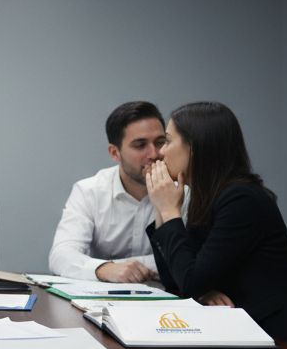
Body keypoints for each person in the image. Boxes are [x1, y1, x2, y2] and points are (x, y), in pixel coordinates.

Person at [143, 102, 287, 340]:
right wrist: (163, 209)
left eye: (167, 141)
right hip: (247, 335)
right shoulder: (209, 198)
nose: (160, 152)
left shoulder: (243, 200)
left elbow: (189, 281)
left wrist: (170, 211)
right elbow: (177, 282)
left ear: (196, 147)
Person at [48, 101, 186, 282]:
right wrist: (104, 269)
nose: (154, 153)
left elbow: (192, 259)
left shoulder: (184, 189)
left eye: (160, 142)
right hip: (101, 303)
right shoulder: (89, 191)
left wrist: (121, 265)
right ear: (115, 153)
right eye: (140, 145)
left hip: (170, 303)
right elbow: (61, 255)